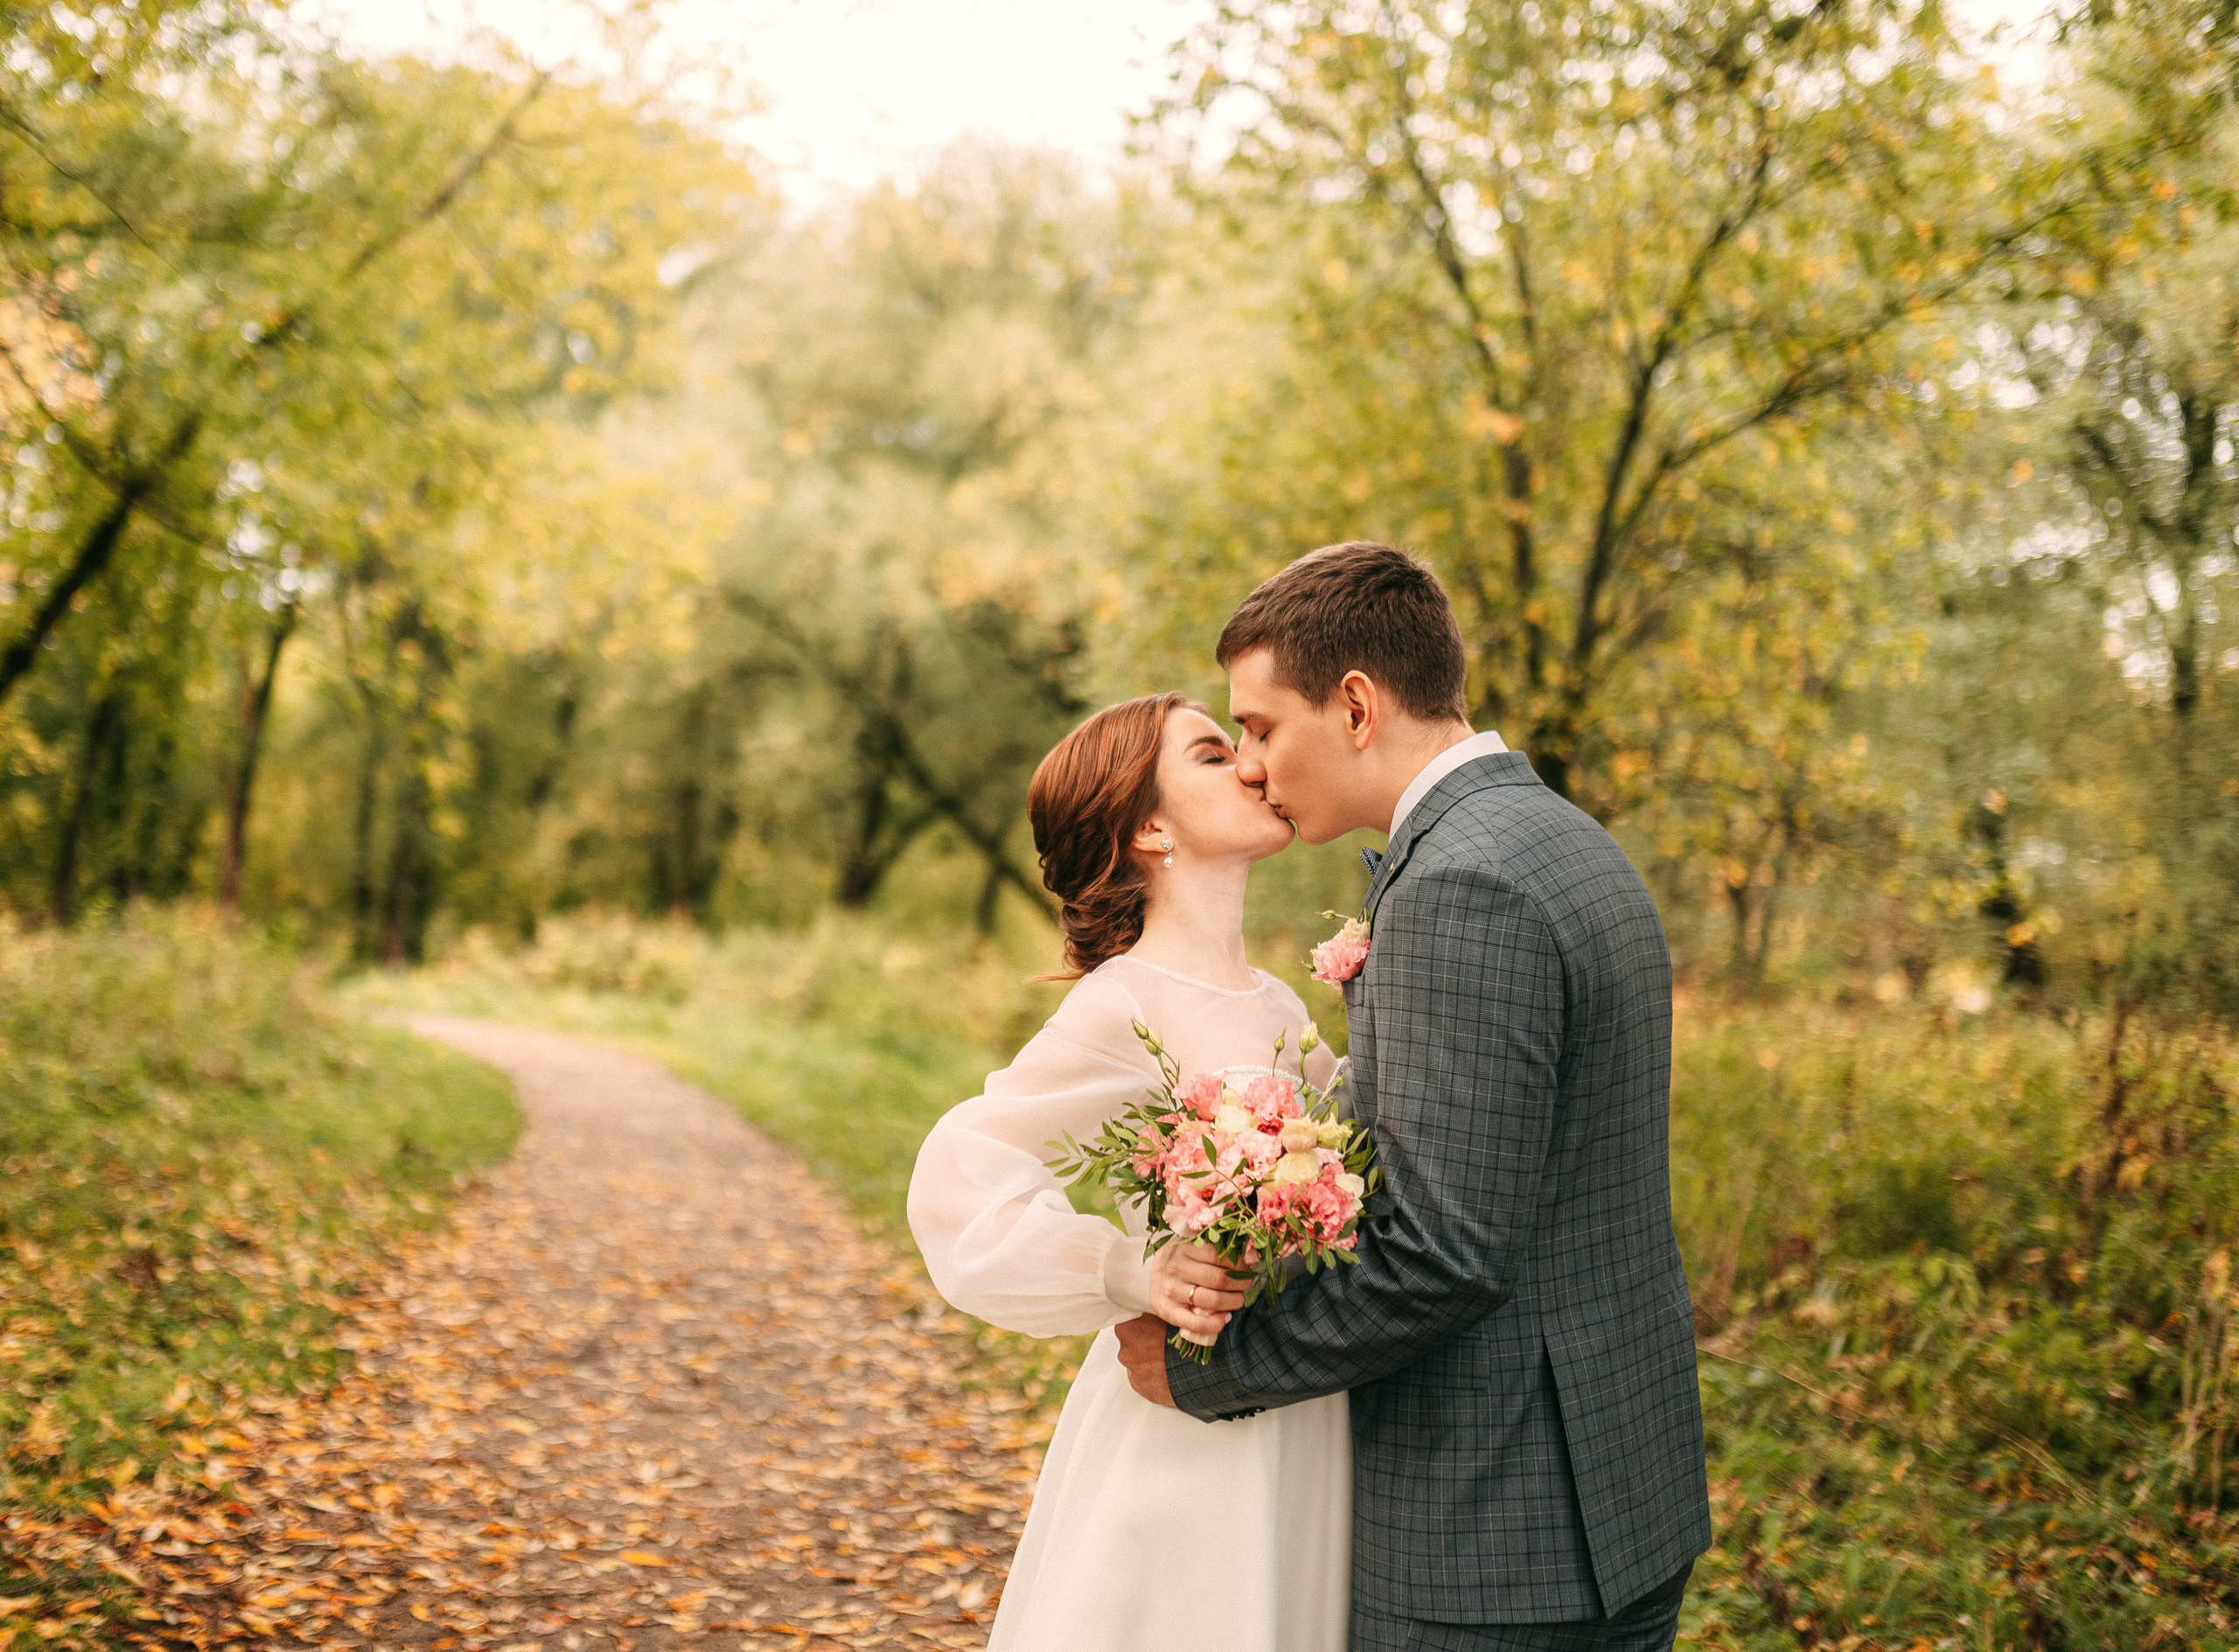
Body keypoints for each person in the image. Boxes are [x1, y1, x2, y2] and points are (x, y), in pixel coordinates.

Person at [1116, 542, 1712, 1652]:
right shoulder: (1566, 841)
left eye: (1258, 726)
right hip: (1621, 1494)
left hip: (1490, 1539)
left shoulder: (1459, 885)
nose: (1250, 765)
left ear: (1354, 705)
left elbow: (1444, 1249)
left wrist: (1213, 1366)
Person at [908, 691, 1351, 1652]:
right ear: (1151, 826)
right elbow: (961, 1169)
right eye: (1209, 752)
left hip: (1308, 1403)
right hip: (1187, 1417)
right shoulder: (1124, 1003)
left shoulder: (1280, 1000)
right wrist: (1131, 1272)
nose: (1249, 763)